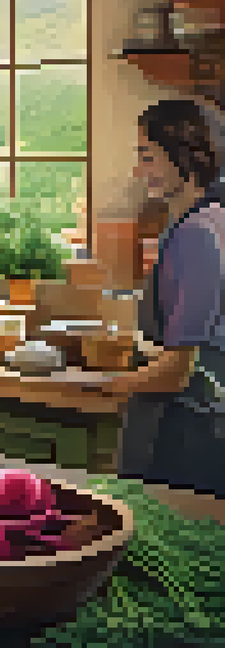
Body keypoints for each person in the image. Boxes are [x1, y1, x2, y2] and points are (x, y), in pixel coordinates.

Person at [106, 99, 225, 495]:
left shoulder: (198, 235)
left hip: (186, 436)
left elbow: (177, 371)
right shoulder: (198, 222)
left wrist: (100, 385)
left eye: (148, 157)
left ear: (186, 157)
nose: (139, 172)